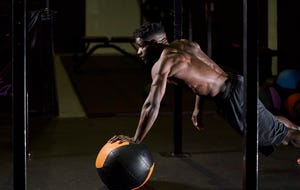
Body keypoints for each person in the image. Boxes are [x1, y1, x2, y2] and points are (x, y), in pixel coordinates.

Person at [109, 22, 300, 155]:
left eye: (141, 47)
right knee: (271, 122)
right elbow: (205, 73)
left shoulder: (163, 64)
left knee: (282, 137)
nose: (139, 52)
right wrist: (198, 109)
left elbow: (152, 104)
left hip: (232, 97)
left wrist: (136, 139)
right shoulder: (185, 44)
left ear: (153, 43)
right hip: (235, 84)